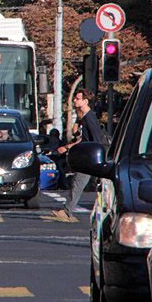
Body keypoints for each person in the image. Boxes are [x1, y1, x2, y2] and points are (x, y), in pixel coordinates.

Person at [48, 88, 105, 223]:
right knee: (80, 183)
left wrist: (68, 147)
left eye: (77, 98)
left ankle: (68, 211)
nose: (74, 100)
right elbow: (84, 138)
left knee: (80, 182)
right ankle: (67, 211)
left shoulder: (89, 118)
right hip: (92, 156)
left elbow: (96, 140)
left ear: (85, 101)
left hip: (93, 157)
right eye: (75, 98)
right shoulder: (85, 118)